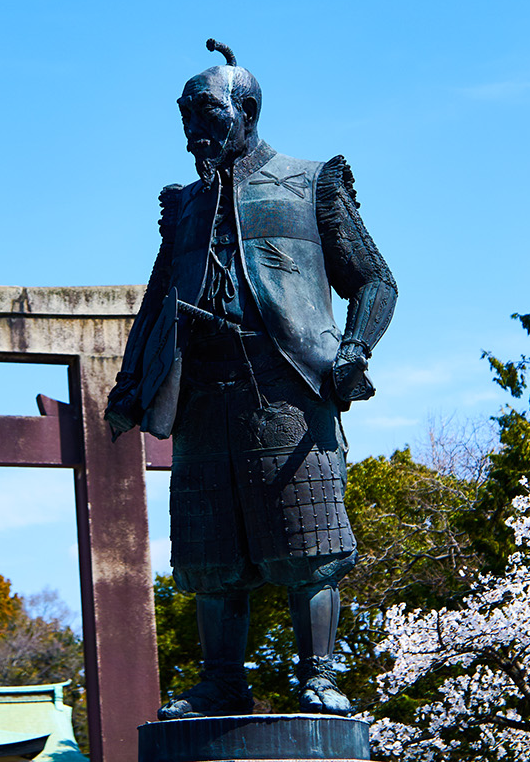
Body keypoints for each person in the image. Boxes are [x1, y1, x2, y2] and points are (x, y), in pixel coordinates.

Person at [105, 39, 397, 719]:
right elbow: (156, 302)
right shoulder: (182, 204)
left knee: (309, 544)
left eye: (206, 115)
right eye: (186, 119)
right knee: (210, 554)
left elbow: (375, 281)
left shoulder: (309, 181)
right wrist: (129, 384)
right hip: (203, 390)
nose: (194, 134)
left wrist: (355, 350)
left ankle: (318, 674)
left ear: (250, 109)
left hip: (290, 384)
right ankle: (220, 682)